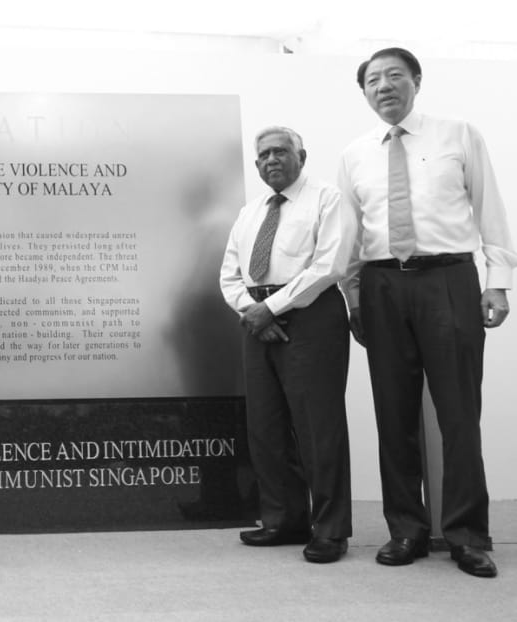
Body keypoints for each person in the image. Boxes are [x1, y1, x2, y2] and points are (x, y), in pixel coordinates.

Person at [339, 47, 517, 578]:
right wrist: (353, 296)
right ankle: (406, 530)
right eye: (373, 79)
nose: (384, 85)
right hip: (381, 284)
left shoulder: (458, 133)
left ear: (417, 81)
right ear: (364, 93)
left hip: (449, 280)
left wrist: (499, 282)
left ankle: (466, 535)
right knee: (393, 414)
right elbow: (350, 235)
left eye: (395, 75)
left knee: (458, 412)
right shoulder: (354, 154)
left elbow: (490, 209)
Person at [220, 126, 355, 563]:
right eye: (263, 155)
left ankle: (331, 530)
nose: (271, 160)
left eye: (281, 151)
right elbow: (230, 273)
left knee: (318, 428)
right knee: (267, 427)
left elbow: (330, 263)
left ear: (302, 155)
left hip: (310, 315)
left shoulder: (327, 198)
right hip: (257, 320)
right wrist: (252, 312)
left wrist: (272, 308)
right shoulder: (250, 211)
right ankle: (284, 519)